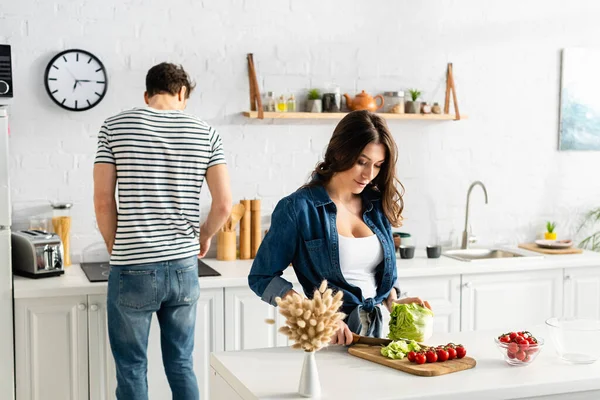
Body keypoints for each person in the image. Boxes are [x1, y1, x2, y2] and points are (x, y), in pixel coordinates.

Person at [93, 62, 231, 400]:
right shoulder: (205, 132)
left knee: (131, 368)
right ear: (182, 93)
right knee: (181, 363)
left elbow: (102, 201)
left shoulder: (114, 126)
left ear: (147, 94)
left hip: (132, 268)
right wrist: (204, 236)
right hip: (184, 267)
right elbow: (225, 203)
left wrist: (118, 247)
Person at [248, 110, 430, 345]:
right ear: (340, 152)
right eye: (361, 162)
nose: (369, 174)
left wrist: (395, 304)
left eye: (377, 165)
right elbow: (261, 277)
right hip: (330, 339)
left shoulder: (375, 203)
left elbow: (378, 275)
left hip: (376, 339)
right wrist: (318, 317)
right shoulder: (298, 208)